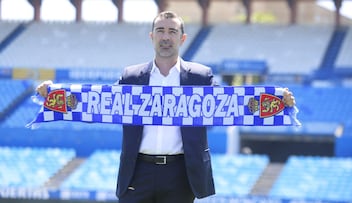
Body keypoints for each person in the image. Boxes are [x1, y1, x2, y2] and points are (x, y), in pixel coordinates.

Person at [36, 11, 296, 203]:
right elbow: (98, 102)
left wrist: (276, 101)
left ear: (182, 38)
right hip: (137, 171)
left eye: (172, 32)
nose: (166, 37)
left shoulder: (200, 76)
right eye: (160, 30)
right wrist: (54, 94)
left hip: (180, 173)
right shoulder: (132, 76)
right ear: (151, 36)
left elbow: (232, 105)